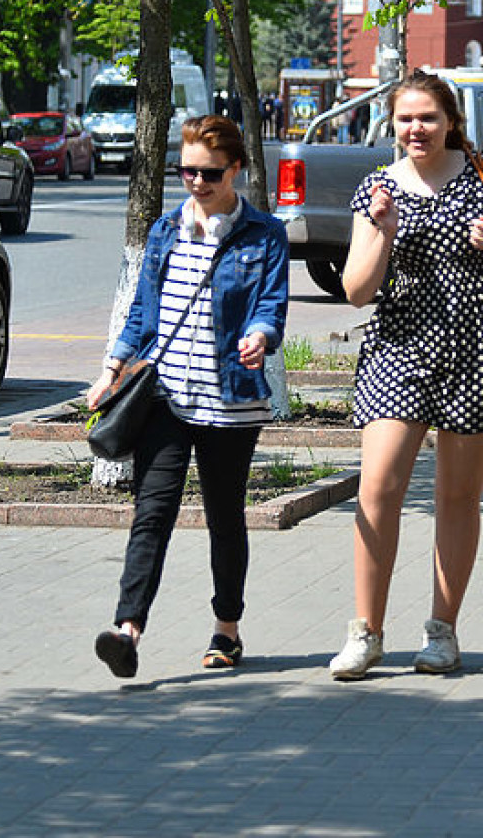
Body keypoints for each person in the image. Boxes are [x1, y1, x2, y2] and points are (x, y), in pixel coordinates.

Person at [327, 70, 483, 680]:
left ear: (450, 121)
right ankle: (365, 633)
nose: (416, 129)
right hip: (400, 344)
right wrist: (385, 234)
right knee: (378, 491)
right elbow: (355, 289)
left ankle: (441, 632)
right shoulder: (378, 188)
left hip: (480, 345)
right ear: (392, 124)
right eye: (405, 118)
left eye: (428, 117)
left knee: (456, 496)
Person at [89, 114, 289, 679]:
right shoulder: (164, 232)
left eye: (209, 173)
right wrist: (112, 369)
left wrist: (260, 335)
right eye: (187, 172)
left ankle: (227, 630)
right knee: (151, 514)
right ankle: (126, 630)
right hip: (167, 397)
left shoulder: (263, 235)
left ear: (235, 170)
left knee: (225, 516)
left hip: (230, 404)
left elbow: (271, 307)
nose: (196, 183)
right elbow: (142, 314)